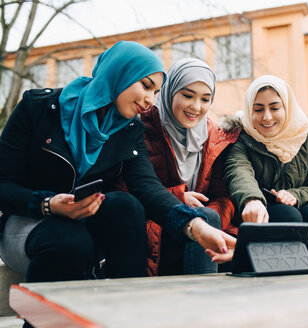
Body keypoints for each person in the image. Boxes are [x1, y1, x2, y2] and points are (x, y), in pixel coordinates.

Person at [0, 41, 235, 288]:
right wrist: (47, 204)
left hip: (85, 222)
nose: (149, 100)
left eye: (156, 92)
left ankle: (126, 308)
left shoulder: (128, 129)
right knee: (71, 241)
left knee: (127, 205)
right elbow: (3, 184)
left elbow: (148, 188)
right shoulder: (37, 108)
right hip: (30, 220)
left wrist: (197, 227)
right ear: (120, 72)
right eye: (146, 86)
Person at [139, 58, 240, 275]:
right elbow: (131, 188)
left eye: (205, 99)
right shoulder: (143, 127)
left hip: (201, 235)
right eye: (187, 95)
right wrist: (179, 198)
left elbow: (224, 196)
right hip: (155, 230)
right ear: (170, 91)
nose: (196, 107)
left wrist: (206, 219)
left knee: (210, 217)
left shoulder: (214, 134)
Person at [223, 75, 308, 267]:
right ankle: (282, 282)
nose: (267, 117)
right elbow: (238, 169)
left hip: (294, 204)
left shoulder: (304, 136)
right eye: (258, 109)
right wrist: (252, 199)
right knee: (288, 215)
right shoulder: (241, 135)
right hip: (254, 209)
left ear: (287, 107)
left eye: (274, 108)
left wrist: (294, 195)